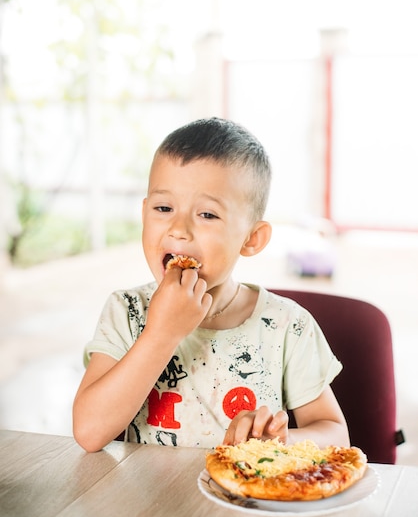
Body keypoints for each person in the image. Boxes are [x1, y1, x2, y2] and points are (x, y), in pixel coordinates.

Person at [73, 117, 349, 453]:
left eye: (207, 215)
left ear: (251, 238)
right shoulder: (127, 312)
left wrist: (281, 441)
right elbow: (89, 432)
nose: (179, 229)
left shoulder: (288, 326)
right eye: (163, 208)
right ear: (144, 215)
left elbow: (336, 434)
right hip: (148, 502)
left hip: (244, 501)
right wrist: (162, 333)